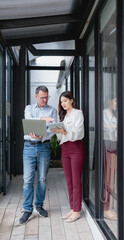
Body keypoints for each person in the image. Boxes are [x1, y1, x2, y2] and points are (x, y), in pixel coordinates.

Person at [19, 86, 57, 224]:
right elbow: (29, 120)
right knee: (28, 180)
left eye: (47, 97)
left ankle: (39, 205)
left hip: (44, 146)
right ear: (36, 96)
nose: (45, 100)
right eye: (42, 97)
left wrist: (44, 133)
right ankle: (27, 209)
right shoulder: (29, 108)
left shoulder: (52, 110)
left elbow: (53, 129)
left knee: (42, 179)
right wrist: (43, 118)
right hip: (29, 147)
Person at [51, 91, 84, 223]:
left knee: (76, 181)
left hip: (75, 148)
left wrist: (64, 131)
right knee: (69, 181)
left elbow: (79, 132)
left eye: (65, 100)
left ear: (71, 100)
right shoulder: (63, 116)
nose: (63, 104)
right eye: (61, 102)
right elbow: (60, 137)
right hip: (64, 149)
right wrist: (58, 131)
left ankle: (77, 210)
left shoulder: (78, 113)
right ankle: (72, 208)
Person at [103, 95, 117, 220]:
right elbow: (105, 130)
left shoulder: (116, 115)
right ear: (109, 101)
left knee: (112, 179)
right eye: (115, 101)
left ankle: (108, 206)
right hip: (107, 147)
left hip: (115, 147)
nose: (116, 103)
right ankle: (105, 208)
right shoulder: (104, 114)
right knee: (107, 179)